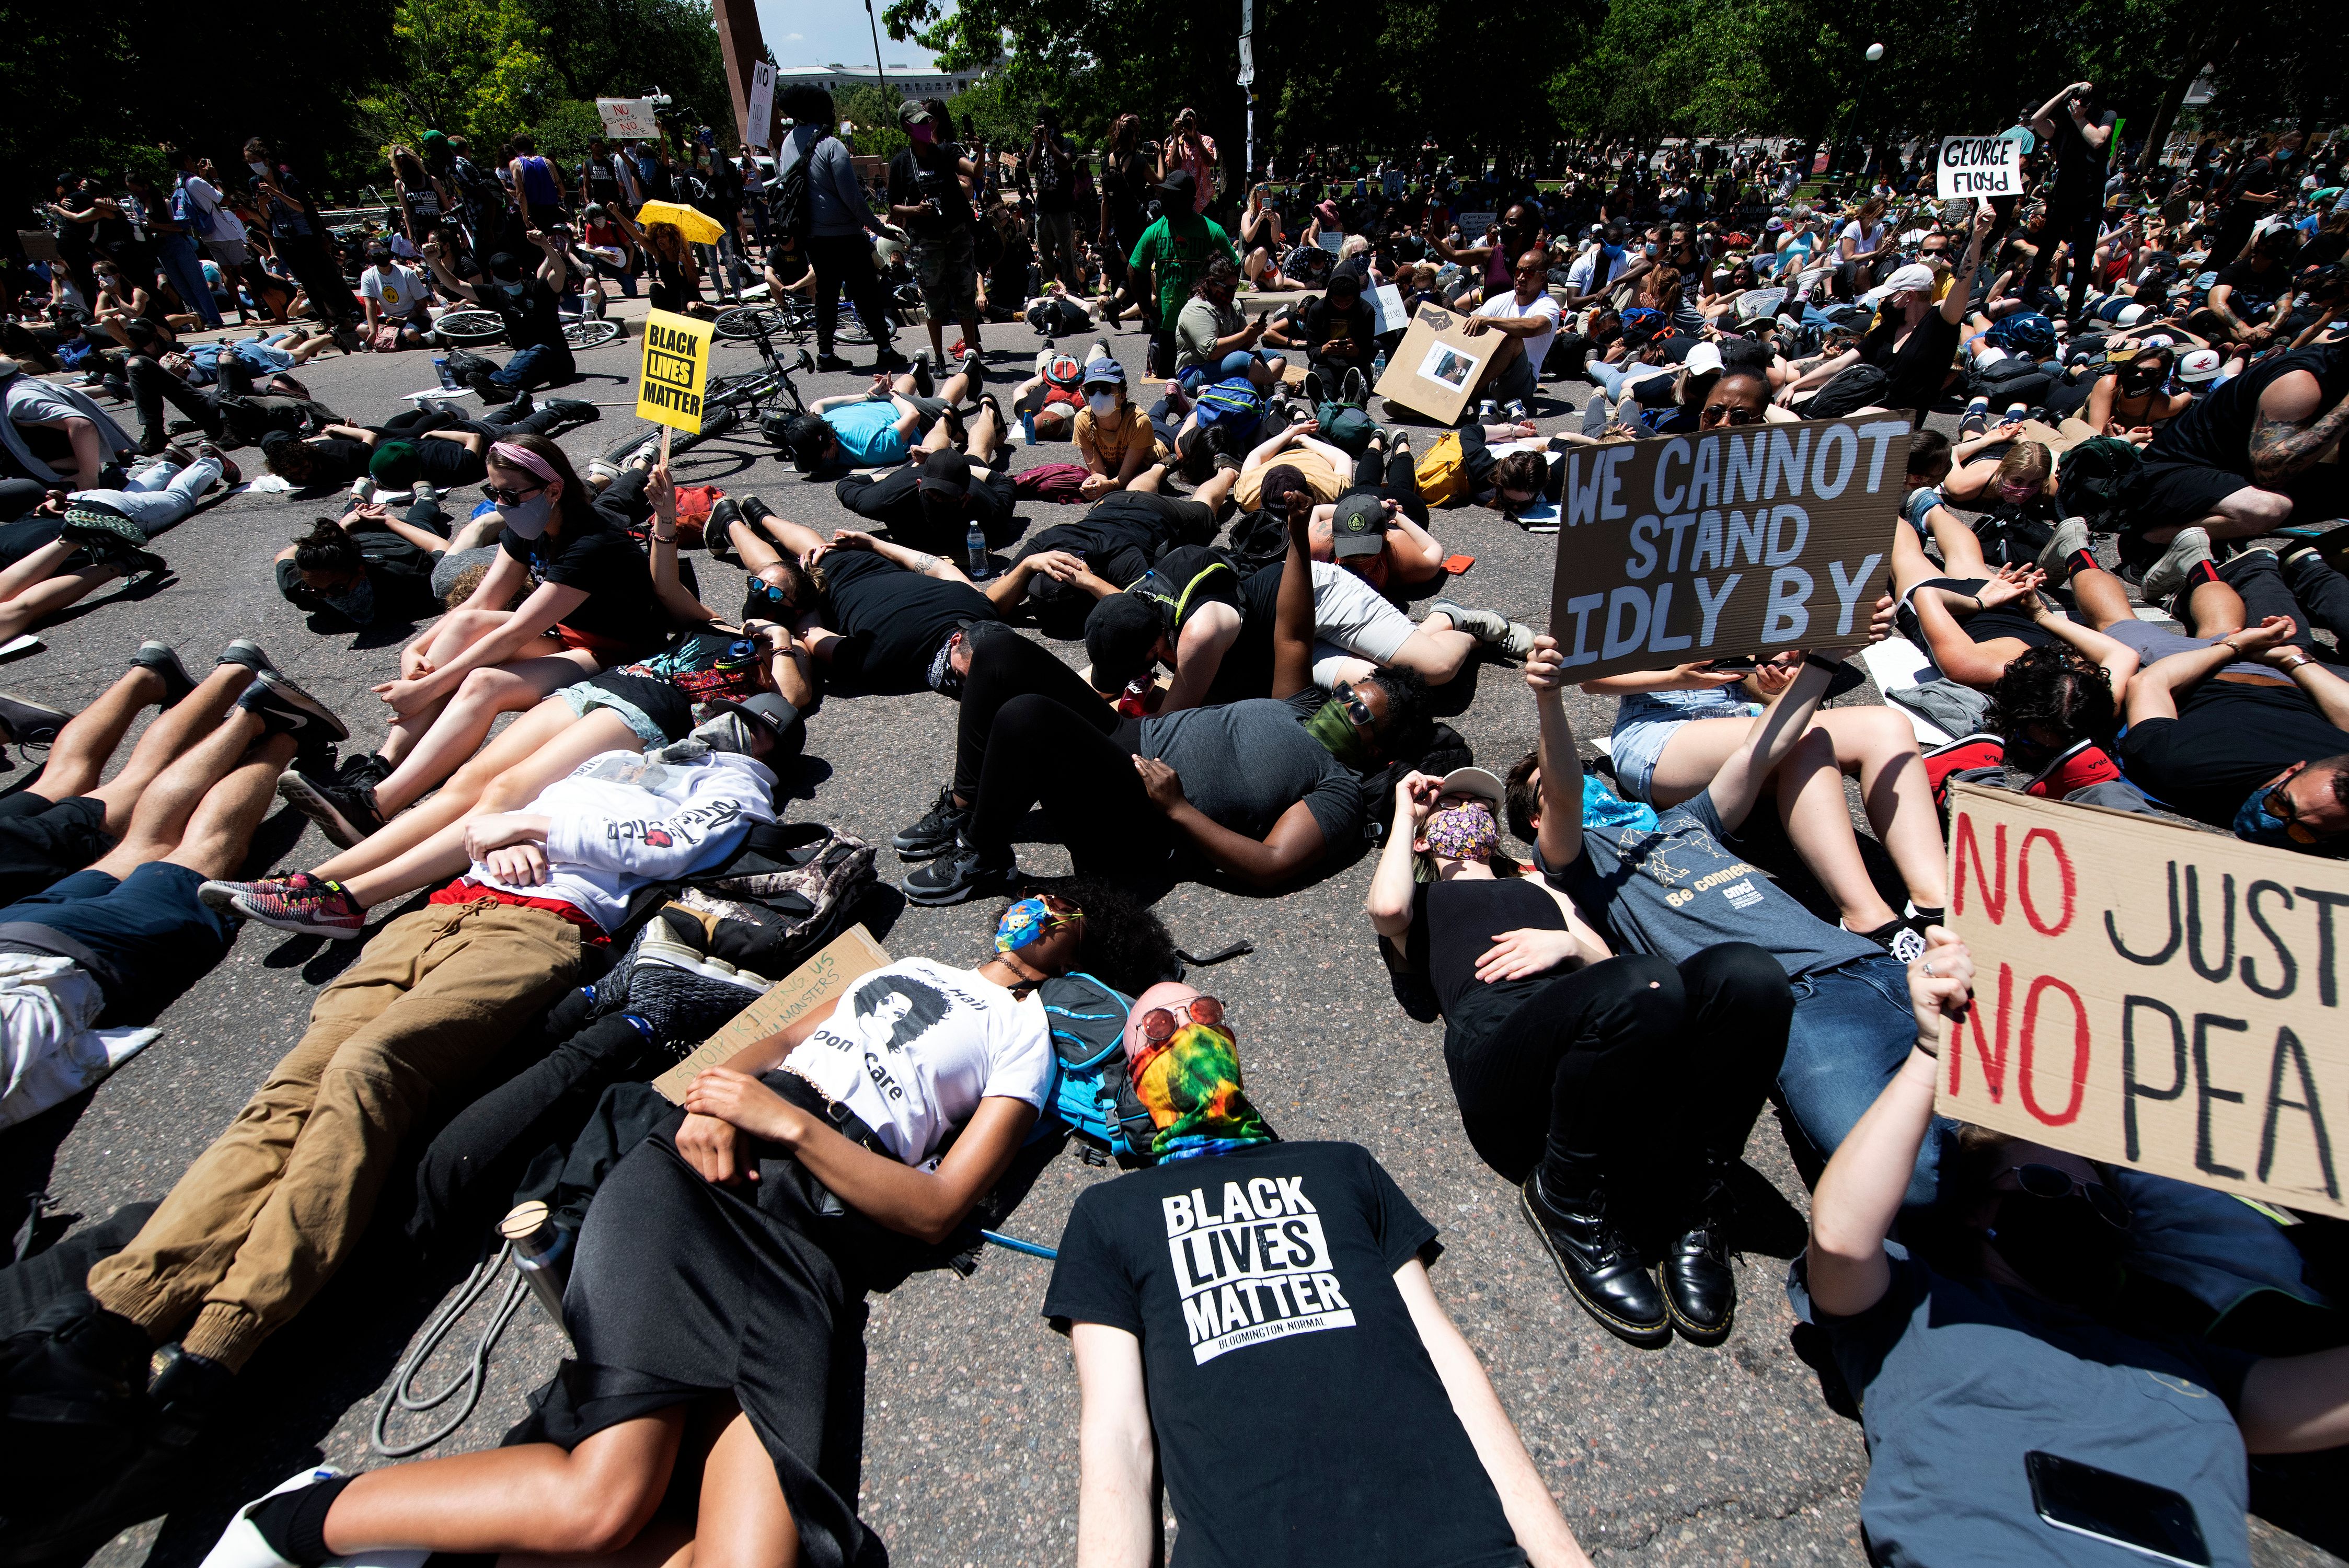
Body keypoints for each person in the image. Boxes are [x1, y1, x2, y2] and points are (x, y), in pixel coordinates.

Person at [185, 889, 1164, 1568]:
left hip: (807, 1243)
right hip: (700, 1177)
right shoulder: (900, 960)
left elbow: (940, 1207)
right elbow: (777, 1039)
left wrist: (787, 1124)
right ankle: (301, 1518)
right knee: (602, 1502)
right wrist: (709, 1101)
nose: (1042, 912)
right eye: (1040, 897)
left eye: (1066, 919)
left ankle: (440, 1543)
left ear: (1073, 958)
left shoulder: (1024, 1039)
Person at [9, 729, 779, 1466]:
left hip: (541, 930)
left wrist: (531, 827)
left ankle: (224, 1334)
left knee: (372, 1071)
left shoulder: (737, 782)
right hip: (440, 913)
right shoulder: (611, 763)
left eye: (745, 720)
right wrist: (501, 831)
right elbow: (482, 818)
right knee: (290, 1091)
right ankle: (121, 1316)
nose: (720, 724)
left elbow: (678, 846)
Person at [1794, 927, 2349, 1568]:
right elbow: (1839, 1235)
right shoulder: (1911, 1311)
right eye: (2050, 1185)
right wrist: (1930, 1052)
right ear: (1976, 1208)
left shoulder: (2185, 1363)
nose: (2079, 1208)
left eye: (2102, 1204)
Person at [1045, 981, 1596, 1567]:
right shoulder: (1108, 1214)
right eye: (1158, 1025)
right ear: (1135, 1068)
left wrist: (1565, 1559)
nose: (1187, 1028)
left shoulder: (1341, 1166)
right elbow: (1116, 1435)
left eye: (1205, 1013)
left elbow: (1444, 1356)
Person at [1510, 637, 1949, 1204]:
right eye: (1560, 782)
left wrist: (1829, 657)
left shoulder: (1685, 821)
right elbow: (1567, 799)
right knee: (1908, 1182)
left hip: (1879, 965)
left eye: (1592, 780)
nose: (1588, 786)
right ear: (1536, 821)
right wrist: (1550, 700)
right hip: (1801, 1004)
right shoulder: (1576, 863)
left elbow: (1764, 747)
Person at [1366, 763, 1790, 1346]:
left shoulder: (1538, 884)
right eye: (1451, 803)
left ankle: (1693, 1200)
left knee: (1751, 976)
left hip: (1597, 1028)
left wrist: (1565, 943)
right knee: (1644, 984)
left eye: (1480, 804)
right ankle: (1564, 1196)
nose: (1468, 808)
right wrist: (1404, 813)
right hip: (1502, 1046)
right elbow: (1386, 910)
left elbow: (1607, 964)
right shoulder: (1421, 897)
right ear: (1421, 836)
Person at [898, 493, 1423, 905]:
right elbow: (1293, 633)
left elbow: (1273, 862)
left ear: (1376, 750)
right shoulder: (1301, 705)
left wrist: (1178, 811)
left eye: (1358, 711)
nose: (1342, 703)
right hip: (1126, 740)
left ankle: (985, 855)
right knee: (998, 652)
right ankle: (963, 810)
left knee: (1025, 716)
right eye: (1351, 693)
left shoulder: (1340, 791)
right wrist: (1295, 539)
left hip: (1139, 810)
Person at [0, 650, 346, 1137]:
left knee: (203, 854)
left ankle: (284, 734)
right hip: (14, 937)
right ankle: (254, 715)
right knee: (142, 840)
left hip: (72, 963)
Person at [277, 434, 661, 847]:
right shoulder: (530, 522)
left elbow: (517, 632)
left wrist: (428, 686)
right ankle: (383, 765)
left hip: (616, 653)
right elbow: (482, 601)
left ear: (553, 489)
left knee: (483, 683)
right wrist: (415, 648)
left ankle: (374, 807)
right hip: (567, 635)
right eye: (493, 491)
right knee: (465, 625)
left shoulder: (592, 543)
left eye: (511, 494)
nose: (501, 504)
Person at [2122, 339, 2349, 592]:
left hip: (2234, 470)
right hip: (2164, 477)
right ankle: (2149, 541)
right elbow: (2269, 470)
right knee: (2268, 508)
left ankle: (2312, 561)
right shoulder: (2301, 378)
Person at [775, 85, 907, 373]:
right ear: (820, 112)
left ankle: (825, 354)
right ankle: (885, 350)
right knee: (865, 294)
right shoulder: (832, 146)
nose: (834, 114)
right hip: (845, 236)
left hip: (813, 237)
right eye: (830, 109)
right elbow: (853, 199)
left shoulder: (787, 145)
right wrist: (879, 228)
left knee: (826, 294)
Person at [420, 229, 576, 398]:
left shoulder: (539, 288)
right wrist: (433, 262)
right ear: (521, 271)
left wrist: (546, 245)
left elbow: (560, 272)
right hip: (525, 354)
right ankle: (499, 386)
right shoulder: (495, 294)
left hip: (558, 360)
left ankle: (498, 384)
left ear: (492, 275)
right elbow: (456, 285)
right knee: (521, 361)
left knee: (539, 350)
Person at [889, 100, 985, 367]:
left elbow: (975, 172)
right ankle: (940, 358)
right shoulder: (900, 163)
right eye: (920, 122)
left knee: (965, 294)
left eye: (927, 121)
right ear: (907, 128)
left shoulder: (945, 151)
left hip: (957, 236)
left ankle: (972, 354)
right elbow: (893, 206)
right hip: (926, 241)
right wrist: (917, 210)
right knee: (934, 300)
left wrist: (981, 152)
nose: (926, 126)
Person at [2020, 82, 2117, 322]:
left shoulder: (2106, 116)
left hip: (2089, 199)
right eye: (2076, 99)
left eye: (2084, 99)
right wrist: (2066, 90)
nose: (2079, 103)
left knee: (2084, 256)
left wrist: (2080, 119)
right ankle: (2027, 297)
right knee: (2046, 251)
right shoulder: (2063, 123)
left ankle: (2074, 310)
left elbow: (2098, 140)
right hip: (2062, 198)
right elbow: (2036, 119)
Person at [1129, 170, 1238, 376]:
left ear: (1190, 201)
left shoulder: (1211, 231)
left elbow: (1234, 266)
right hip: (1169, 325)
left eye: (1172, 197)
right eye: (1164, 196)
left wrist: (1223, 299)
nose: (1164, 202)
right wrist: (1146, 309)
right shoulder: (1156, 230)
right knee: (1169, 378)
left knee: (1206, 376)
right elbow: (1135, 269)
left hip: (1203, 323)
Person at [274, 507, 452, 629]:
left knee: (420, 518)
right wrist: (339, 528)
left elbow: (443, 548)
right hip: (350, 537)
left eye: (338, 589)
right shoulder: (301, 586)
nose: (327, 597)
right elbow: (282, 557)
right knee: (355, 514)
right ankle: (358, 502)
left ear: (361, 571)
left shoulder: (408, 574)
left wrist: (390, 522)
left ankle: (424, 497)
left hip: (396, 535)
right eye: (316, 592)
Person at [1460, 250, 1564, 410]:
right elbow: (1475, 328)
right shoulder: (1499, 301)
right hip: (1487, 375)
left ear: (1542, 278)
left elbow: (1534, 326)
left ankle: (1465, 395)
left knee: (1513, 339)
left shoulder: (1547, 305)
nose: (1521, 277)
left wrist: (1489, 320)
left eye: (1529, 273)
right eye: (1518, 271)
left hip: (1520, 383)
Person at [1071, 354, 1167, 499]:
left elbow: (1124, 479)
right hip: (1145, 434)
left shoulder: (1139, 422)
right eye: (1091, 389)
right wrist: (1095, 484)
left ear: (1122, 396)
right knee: (1156, 419)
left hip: (1160, 444)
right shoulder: (1083, 420)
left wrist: (1108, 485)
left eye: (1105, 389)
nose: (1098, 396)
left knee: (1177, 429)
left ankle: (1171, 400)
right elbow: (1099, 473)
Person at [356, 246, 432, 349]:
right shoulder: (368, 276)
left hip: (415, 317)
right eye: (375, 253)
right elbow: (370, 305)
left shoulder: (406, 273)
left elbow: (423, 304)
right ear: (369, 256)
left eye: (383, 251)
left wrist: (405, 319)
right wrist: (373, 331)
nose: (380, 255)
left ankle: (397, 340)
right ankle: (399, 340)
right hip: (389, 318)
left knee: (410, 333)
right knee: (362, 329)